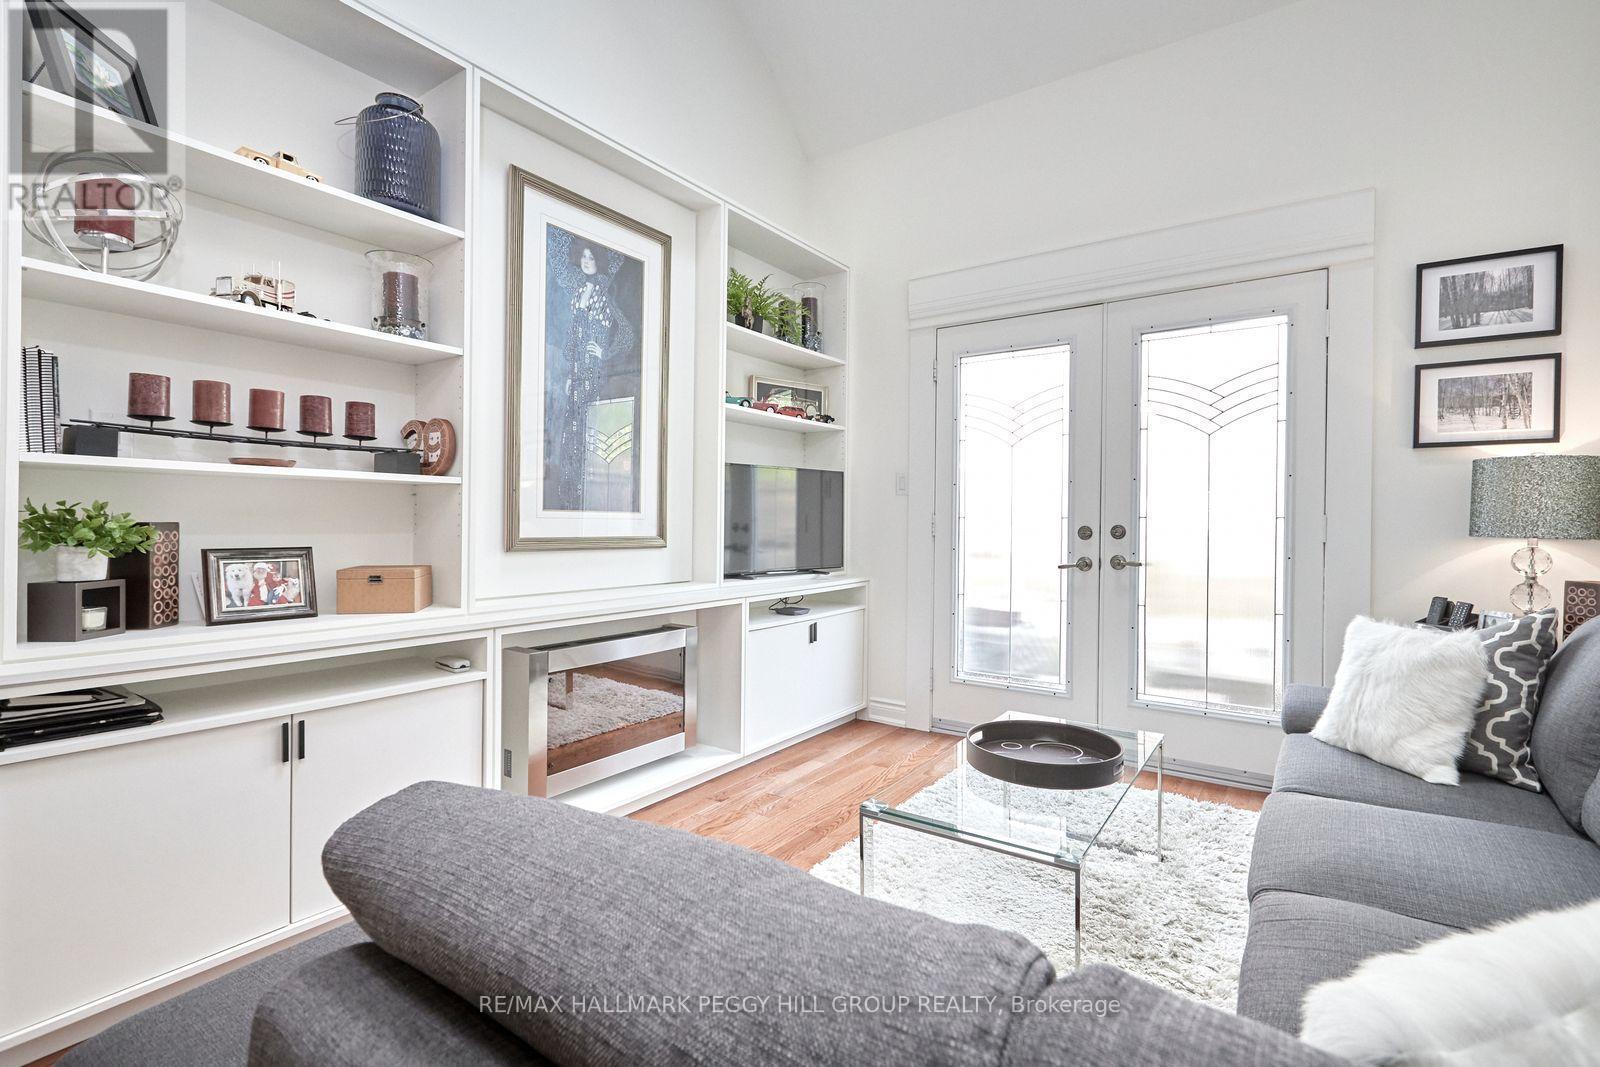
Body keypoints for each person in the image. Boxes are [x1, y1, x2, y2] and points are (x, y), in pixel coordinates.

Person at [546, 228, 636, 511]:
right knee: (571, 429)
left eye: (591, 257)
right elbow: (572, 342)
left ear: (598, 261)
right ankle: (570, 496)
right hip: (576, 372)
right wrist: (570, 374)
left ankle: (583, 496)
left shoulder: (603, 295)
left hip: (594, 373)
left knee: (586, 430)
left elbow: (627, 335)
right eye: (582, 256)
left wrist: (603, 353)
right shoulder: (578, 293)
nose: (586, 261)